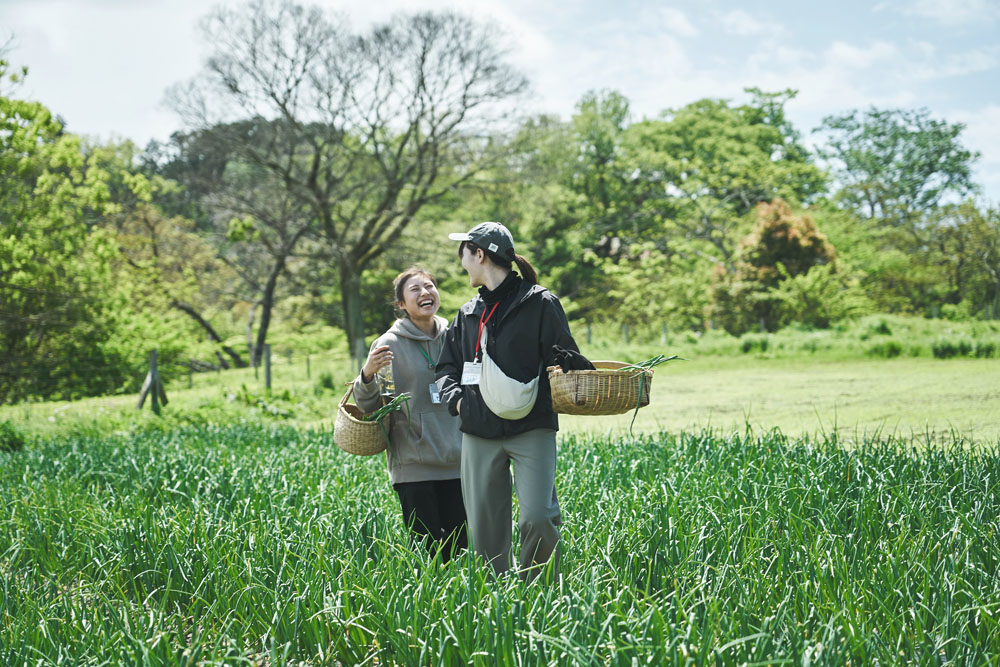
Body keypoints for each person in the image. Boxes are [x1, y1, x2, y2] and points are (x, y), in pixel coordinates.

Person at [436, 221, 589, 582]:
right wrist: (457, 402)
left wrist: (567, 365)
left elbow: (566, 356)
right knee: (486, 531)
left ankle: (540, 594)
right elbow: (446, 368)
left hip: (530, 428)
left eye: (464, 255)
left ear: (479, 255)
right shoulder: (467, 313)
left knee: (538, 515)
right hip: (477, 430)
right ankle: (498, 602)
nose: (462, 264)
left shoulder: (539, 303)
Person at [353, 267, 467, 562]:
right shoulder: (389, 345)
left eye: (429, 286)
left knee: (462, 550)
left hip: (458, 460)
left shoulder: (456, 336)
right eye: (415, 290)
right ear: (401, 305)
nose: (425, 293)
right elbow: (373, 406)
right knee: (429, 554)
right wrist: (367, 374)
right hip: (414, 465)